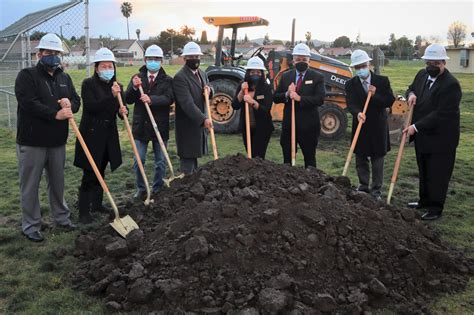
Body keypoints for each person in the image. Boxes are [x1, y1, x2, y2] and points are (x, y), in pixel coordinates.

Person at [15, 33, 80, 242]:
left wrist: (71, 106)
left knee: (58, 183)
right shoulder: (27, 76)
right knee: (30, 185)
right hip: (32, 140)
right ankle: (31, 225)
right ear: (39, 54)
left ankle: (61, 218)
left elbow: (76, 100)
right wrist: (55, 114)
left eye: (56, 53)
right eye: (48, 53)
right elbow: (29, 103)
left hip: (57, 141)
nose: (53, 56)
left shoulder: (64, 77)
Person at [404, 43, 461, 221]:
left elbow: (440, 114)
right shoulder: (422, 75)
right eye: (429, 63)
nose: (431, 67)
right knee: (424, 170)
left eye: (436, 64)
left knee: (438, 173)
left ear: (444, 63)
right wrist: (411, 94)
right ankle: (424, 200)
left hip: (442, 138)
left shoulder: (451, 85)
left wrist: (416, 127)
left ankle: (435, 208)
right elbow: (411, 87)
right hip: (423, 136)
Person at [73, 48, 128, 224]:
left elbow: (120, 109)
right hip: (91, 134)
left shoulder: (117, 86)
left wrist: (122, 110)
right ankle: (83, 210)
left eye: (110, 66)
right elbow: (91, 107)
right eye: (103, 66)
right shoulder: (88, 84)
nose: (107, 69)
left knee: (101, 170)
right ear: (97, 68)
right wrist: (111, 97)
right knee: (90, 172)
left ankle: (96, 204)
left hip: (108, 135)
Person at [125, 44, 174, 200]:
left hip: (160, 126)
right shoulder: (137, 78)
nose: (153, 61)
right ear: (145, 60)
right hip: (141, 126)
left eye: (157, 59)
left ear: (161, 61)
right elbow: (128, 99)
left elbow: (169, 98)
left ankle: (158, 187)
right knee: (139, 160)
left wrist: (151, 99)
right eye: (150, 59)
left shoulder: (167, 80)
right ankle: (141, 188)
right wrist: (133, 87)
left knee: (160, 161)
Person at [345, 49, 395, 200]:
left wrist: (374, 96)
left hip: (378, 126)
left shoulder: (382, 81)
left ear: (369, 64)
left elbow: (389, 101)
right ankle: (364, 186)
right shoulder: (350, 84)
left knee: (377, 159)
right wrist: (357, 113)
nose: (361, 69)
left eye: (363, 66)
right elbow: (351, 103)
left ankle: (376, 191)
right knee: (360, 157)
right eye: (357, 67)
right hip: (360, 124)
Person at [273, 43, 326, 168]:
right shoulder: (286, 76)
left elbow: (319, 99)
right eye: (298, 59)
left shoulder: (317, 77)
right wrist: (287, 93)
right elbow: (275, 97)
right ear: (293, 60)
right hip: (289, 126)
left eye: (304, 59)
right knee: (287, 160)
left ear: (309, 60)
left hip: (309, 126)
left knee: (310, 160)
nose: (301, 62)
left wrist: (299, 98)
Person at [173, 41, 212, 174]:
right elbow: (187, 104)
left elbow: (209, 86)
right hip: (188, 126)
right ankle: (184, 189)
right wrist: (203, 119)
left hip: (198, 126)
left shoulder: (202, 73)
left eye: (197, 56)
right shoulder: (180, 78)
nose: (194, 59)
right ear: (184, 58)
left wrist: (209, 90)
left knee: (195, 160)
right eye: (191, 57)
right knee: (188, 161)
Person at [232, 56, 274, 158]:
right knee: (250, 154)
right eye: (252, 72)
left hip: (263, 128)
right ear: (248, 73)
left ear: (262, 73)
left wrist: (252, 102)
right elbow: (235, 105)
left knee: (258, 156)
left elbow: (266, 110)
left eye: (258, 72)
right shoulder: (242, 85)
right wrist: (242, 91)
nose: (255, 74)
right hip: (247, 127)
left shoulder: (266, 88)